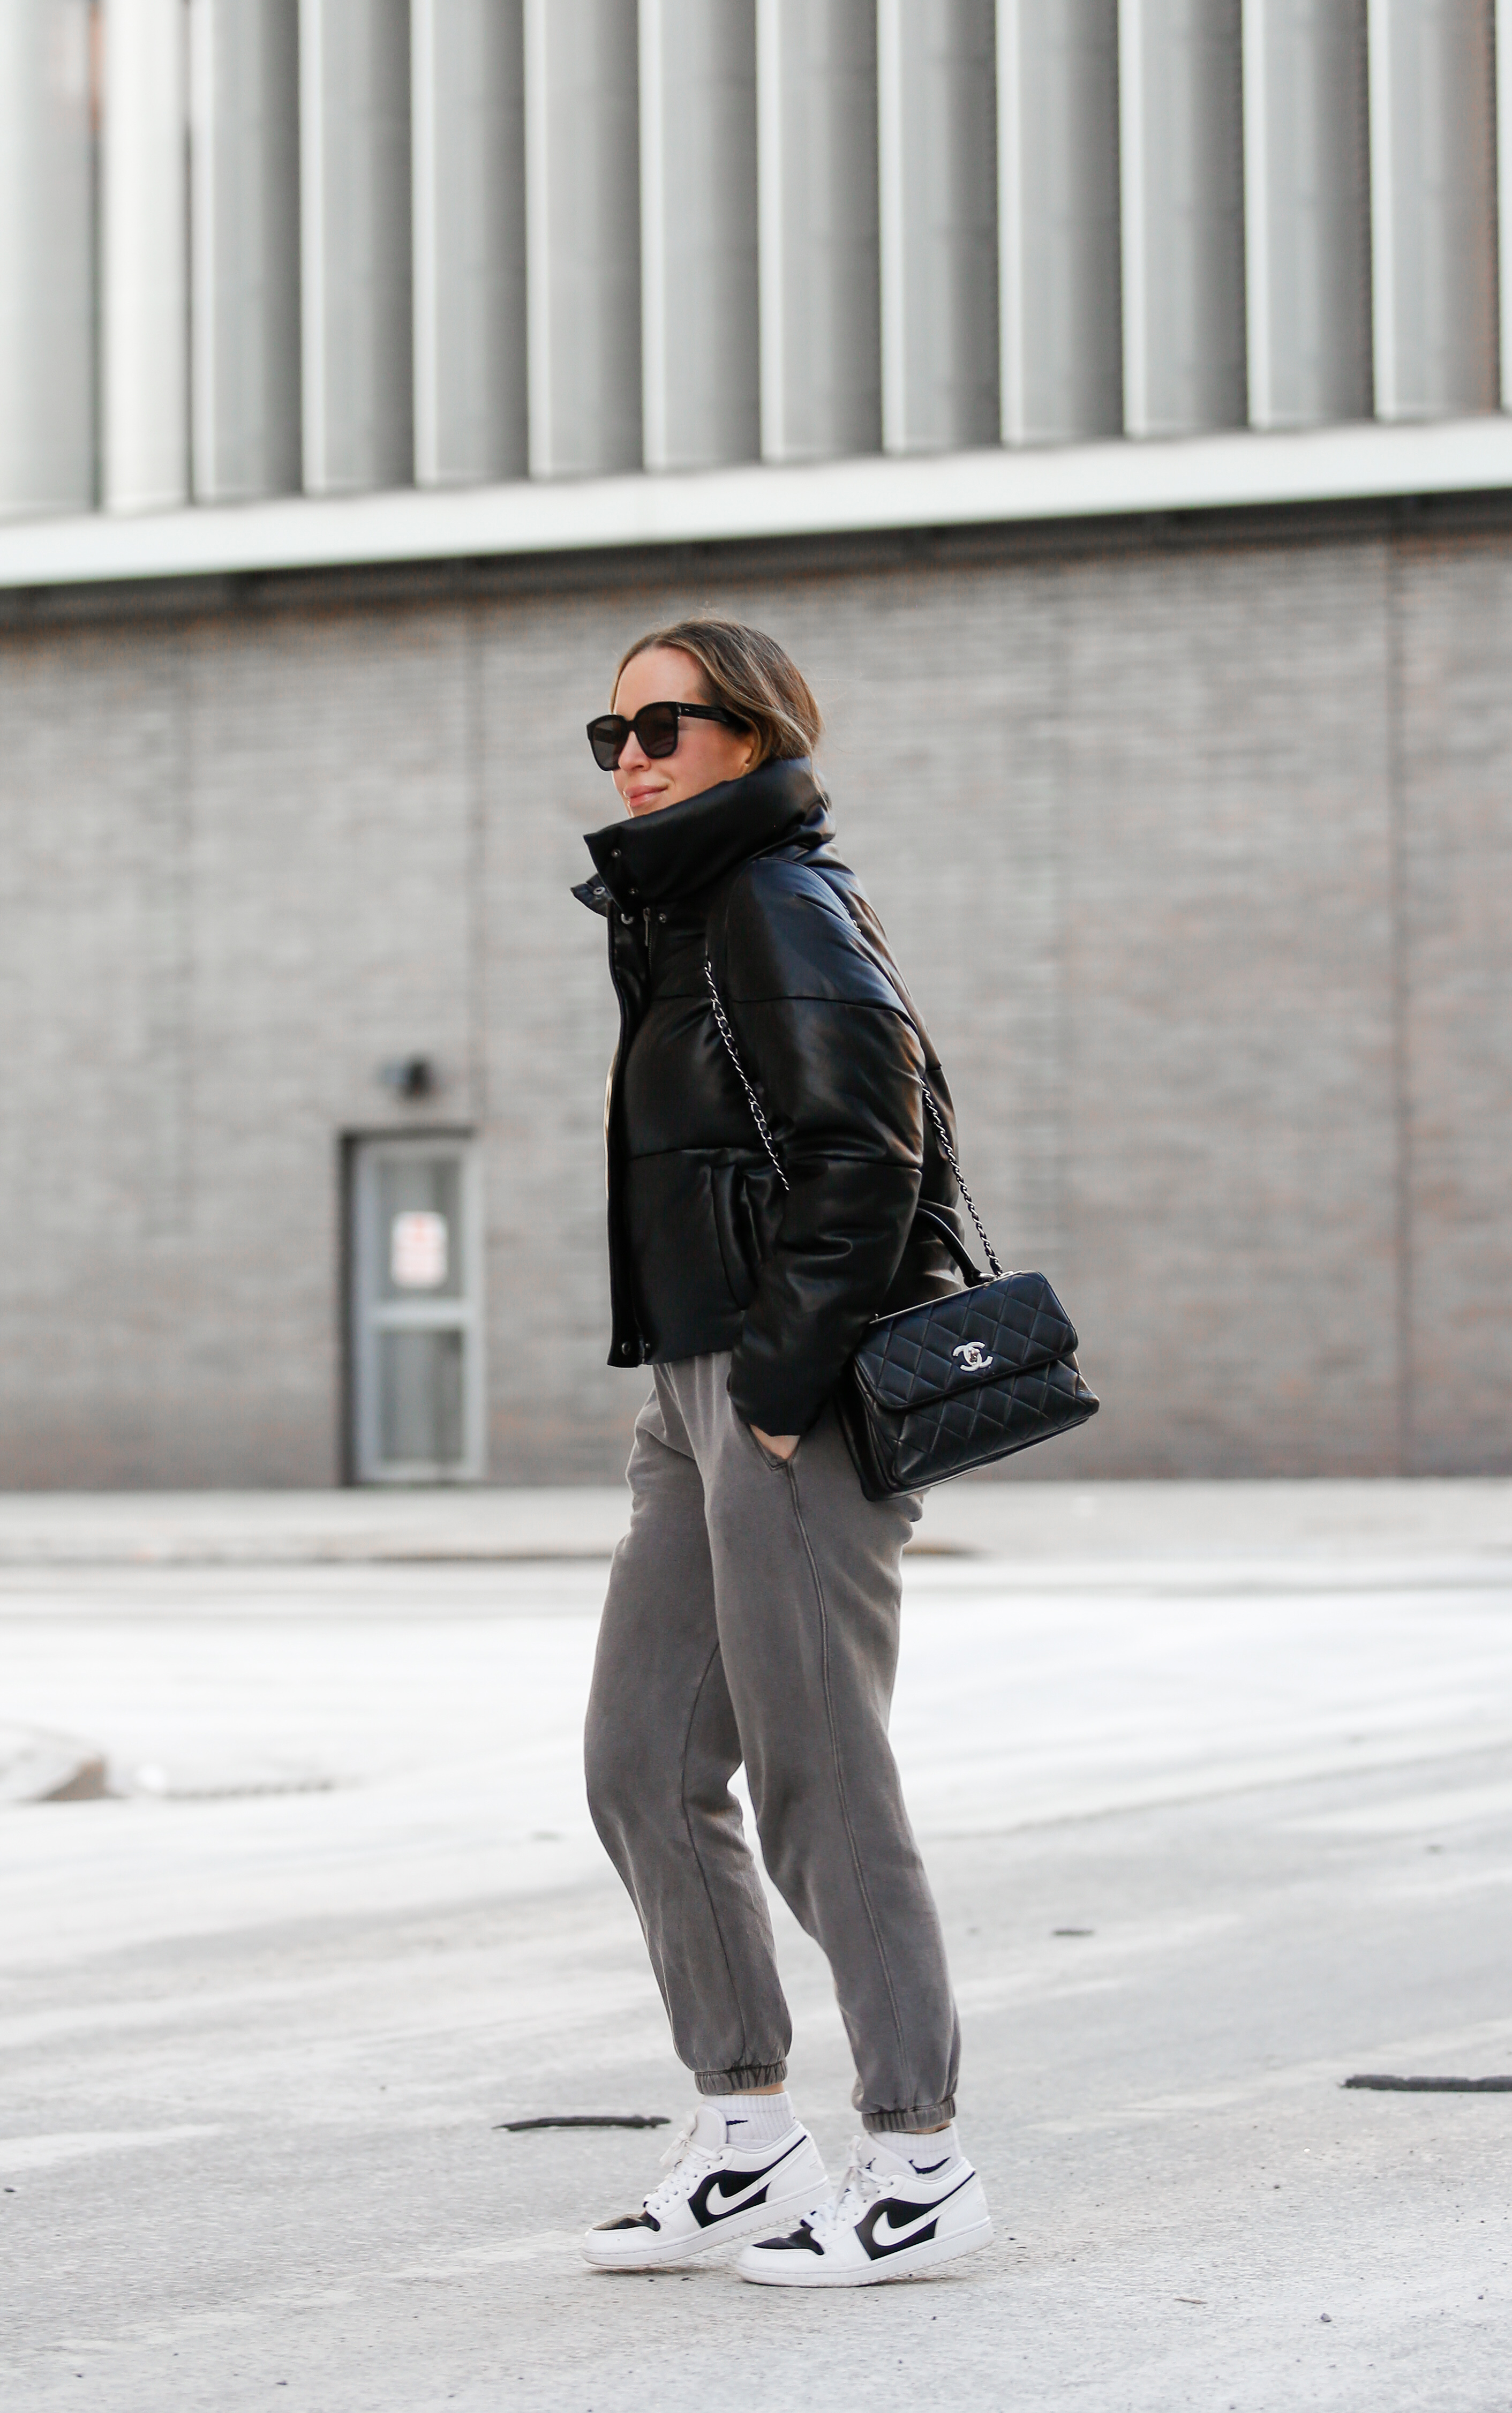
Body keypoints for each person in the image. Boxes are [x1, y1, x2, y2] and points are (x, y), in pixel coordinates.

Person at [572, 620, 991, 2287]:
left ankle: (921, 2153)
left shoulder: (775, 899)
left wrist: (776, 1379)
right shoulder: (687, 912)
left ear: (751, 731)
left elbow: (866, 1150)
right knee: (640, 1765)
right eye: (607, 735)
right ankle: (748, 2130)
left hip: (781, 1398)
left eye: (662, 723)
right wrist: (703, 1390)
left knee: (821, 1777)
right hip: (693, 1392)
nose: (632, 757)